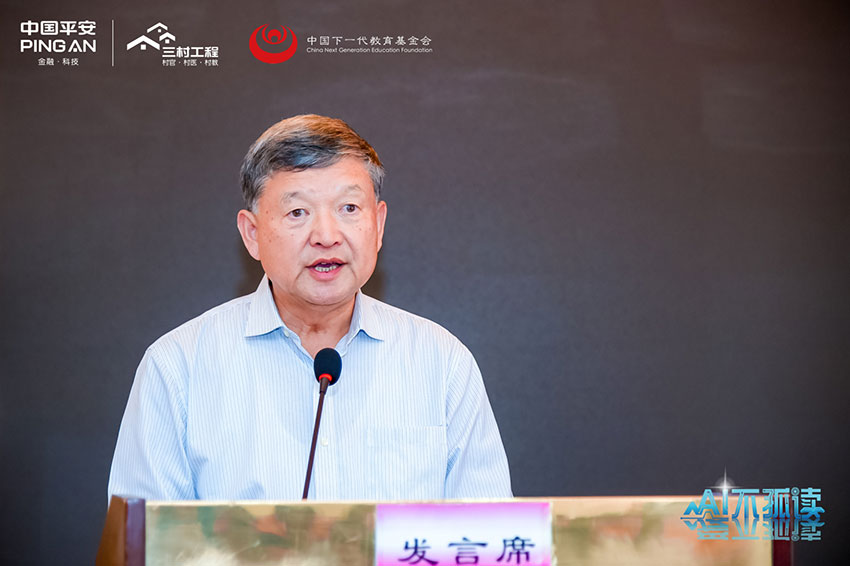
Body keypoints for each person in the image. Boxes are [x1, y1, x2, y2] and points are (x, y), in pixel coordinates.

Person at [107, 114, 511, 501]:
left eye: (348, 208)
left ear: (379, 225)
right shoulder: (178, 367)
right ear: (252, 234)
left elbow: (490, 532)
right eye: (297, 212)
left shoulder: (441, 362)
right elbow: (142, 537)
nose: (326, 235)